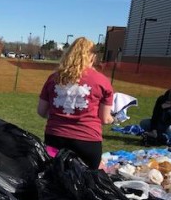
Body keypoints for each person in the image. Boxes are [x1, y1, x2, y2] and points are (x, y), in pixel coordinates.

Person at [37, 37, 114, 169]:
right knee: (86, 184)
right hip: (87, 141)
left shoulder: (54, 78)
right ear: (92, 57)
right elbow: (105, 118)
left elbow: (41, 111)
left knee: (54, 180)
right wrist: (114, 119)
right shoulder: (102, 81)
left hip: (55, 138)